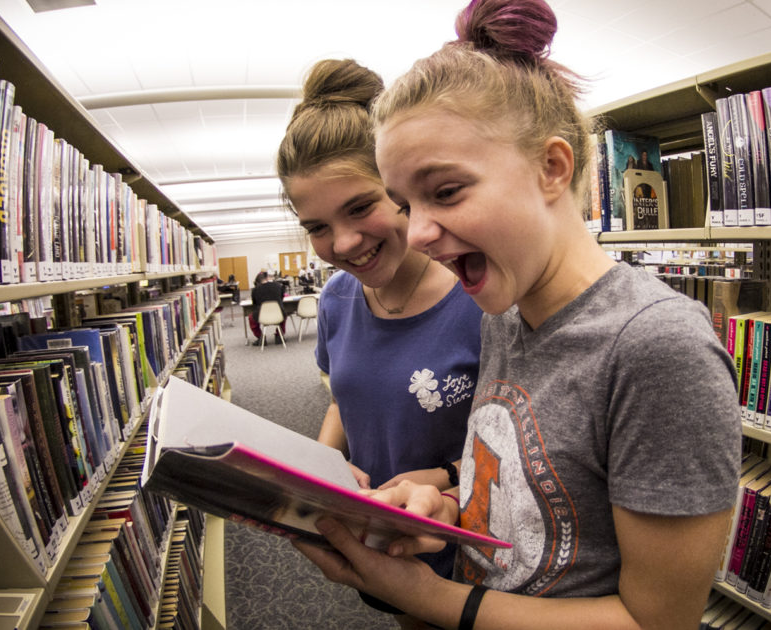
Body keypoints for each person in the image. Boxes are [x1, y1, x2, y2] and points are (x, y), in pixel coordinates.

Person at [293, 1, 742, 628]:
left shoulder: (657, 348)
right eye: (406, 202)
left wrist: (421, 595)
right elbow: (537, 499)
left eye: (444, 191)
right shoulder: (503, 311)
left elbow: (655, 621)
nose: (418, 233)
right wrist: (447, 501)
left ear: (552, 167)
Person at [276, 58, 484, 625]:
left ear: (400, 188)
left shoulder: (480, 298)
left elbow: (528, 446)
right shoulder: (339, 300)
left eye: (360, 207)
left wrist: (440, 477)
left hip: (471, 546)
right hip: (382, 540)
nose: (342, 243)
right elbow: (345, 396)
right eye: (316, 226)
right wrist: (319, 465)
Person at [249, 270, 288, 345]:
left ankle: (261, 338)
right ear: (267, 278)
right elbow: (282, 298)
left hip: (262, 316)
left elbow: (254, 304)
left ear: (257, 282)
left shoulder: (255, 290)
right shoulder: (278, 286)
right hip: (278, 315)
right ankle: (279, 336)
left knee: (251, 317)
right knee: (284, 313)